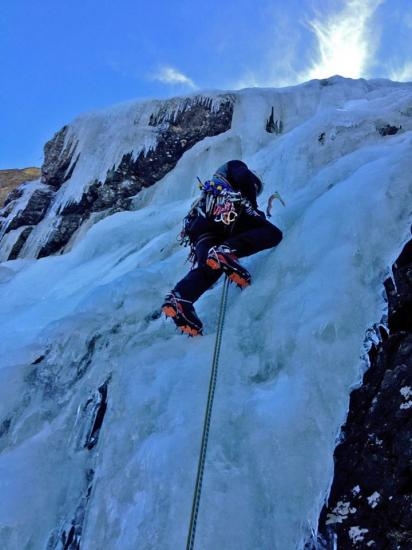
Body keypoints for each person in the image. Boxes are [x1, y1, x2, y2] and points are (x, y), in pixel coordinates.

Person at [162, 159, 283, 336]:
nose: (254, 192)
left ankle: (181, 298)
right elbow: (242, 176)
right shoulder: (235, 167)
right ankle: (226, 250)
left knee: (211, 266)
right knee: (272, 233)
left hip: (202, 229)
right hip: (224, 208)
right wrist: (254, 208)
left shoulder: (207, 197)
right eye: (255, 189)